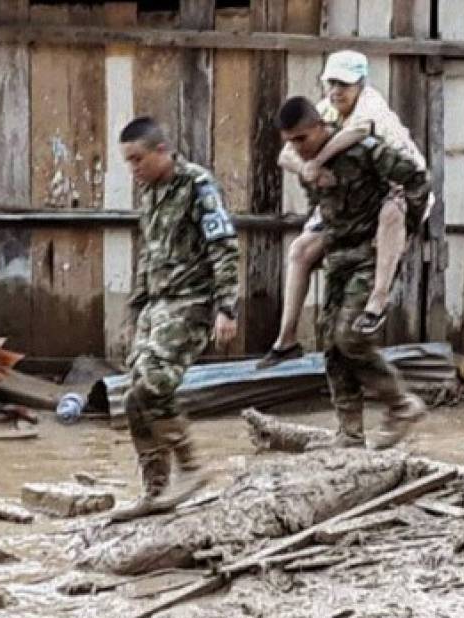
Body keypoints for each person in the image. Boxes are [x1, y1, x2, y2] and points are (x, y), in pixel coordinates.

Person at [258, 50, 431, 369]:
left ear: (360, 84)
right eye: (332, 83)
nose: (337, 91)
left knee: (392, 213)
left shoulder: (370, 105)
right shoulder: (323, 110)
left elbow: (359, 132)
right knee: (300, 251)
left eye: (345, 84)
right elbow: (286, 155)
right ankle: (286, 339)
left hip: (398, 188)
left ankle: (378, 301)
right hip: (347, 204)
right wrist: (307, 167)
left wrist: (317, 162)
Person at [277, 96, 430, 448]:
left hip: (371, 255)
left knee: (351, 336)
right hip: (339, 256)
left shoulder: (366, 150)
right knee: (331, 342)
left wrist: (402, 226)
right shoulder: (310, 165)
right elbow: (324, 209)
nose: (297, 147)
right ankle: (349, 433)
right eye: (290, 141)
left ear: (320, 127)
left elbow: (417, 180)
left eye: (302, 139)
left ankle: (401, 403)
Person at [109, 116, 240, 521]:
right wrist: (136, 308)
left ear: (162, 150)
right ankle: (156, 491)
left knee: (153, 384)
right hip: (157, 305)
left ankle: (191, 465)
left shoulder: (198, 186)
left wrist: (227, 307)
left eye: (138, 160)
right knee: (133, 397)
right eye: (128, 162)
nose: (134, 169)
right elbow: (149, 253)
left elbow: (224, 245)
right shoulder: (150, 192)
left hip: (191, 301)